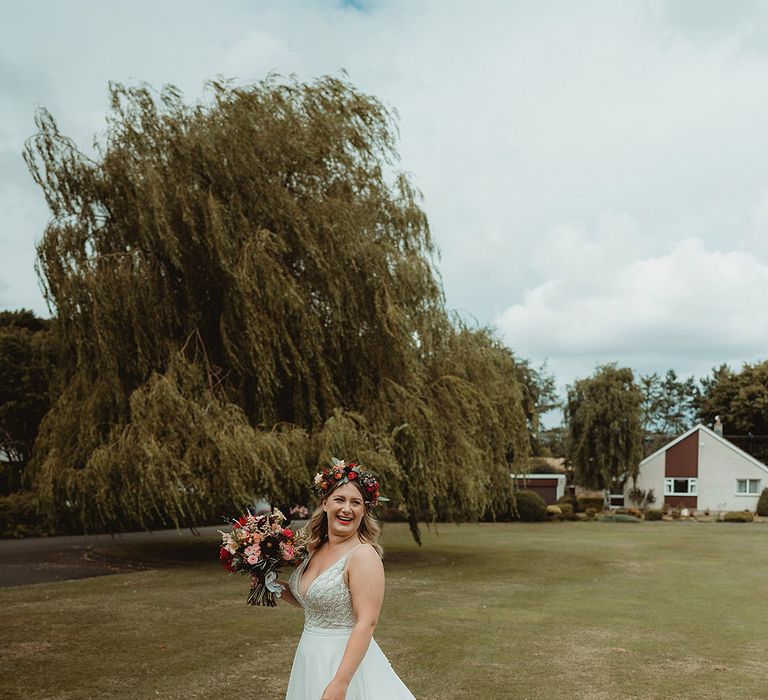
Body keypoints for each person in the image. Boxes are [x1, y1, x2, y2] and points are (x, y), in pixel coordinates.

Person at [275, 458, 415, 700]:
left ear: (364, 509)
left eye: (356, 502)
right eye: (339, 499)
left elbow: (367, 623)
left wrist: (341, 683)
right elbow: (311, 600)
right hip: (310, 656)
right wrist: (268, 582)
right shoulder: (315, 548)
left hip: (344, 663)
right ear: (325, 503)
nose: (346, 509)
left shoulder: (363, 556)